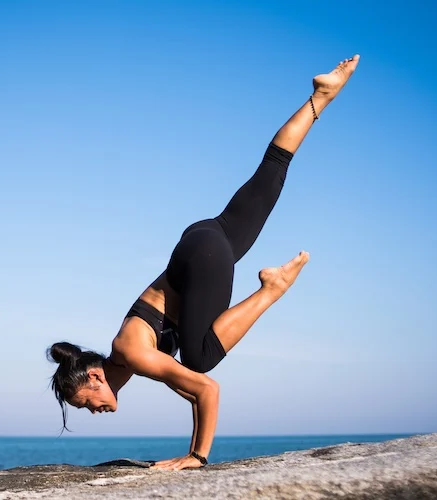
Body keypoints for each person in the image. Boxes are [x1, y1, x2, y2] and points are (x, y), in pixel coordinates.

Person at [47, 55, 360, 471]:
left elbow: (205, 389)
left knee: (199, 359)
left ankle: (271, 289)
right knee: (271, 173)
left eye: (86, 404)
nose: (93, 411)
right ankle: (322, 95)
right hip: (202, 241)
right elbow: (190, 391)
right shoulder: (127, 357)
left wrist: (196, 456)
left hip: (203, 259)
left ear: (94, 378)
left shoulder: (132, 354)